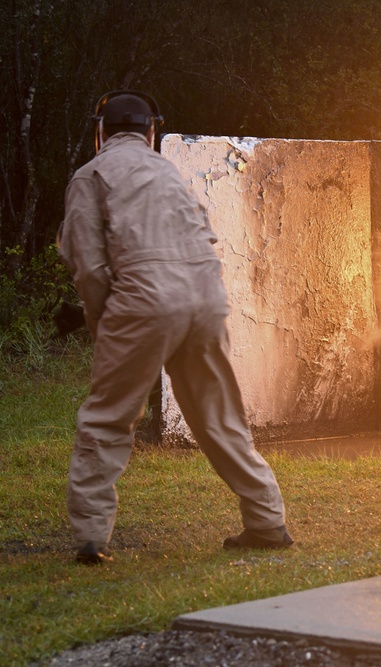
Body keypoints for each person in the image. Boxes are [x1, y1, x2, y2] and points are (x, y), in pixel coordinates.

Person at [58, 90, 293, 565]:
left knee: (108, 416)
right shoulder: (168, 170)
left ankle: (89, 537)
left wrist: (106, 326)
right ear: (151, 130)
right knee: (218, 414)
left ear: (99, 131)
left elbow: (89, 267)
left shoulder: (91, 175)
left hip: (145, 296)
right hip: (205, 295)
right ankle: (268, 522)